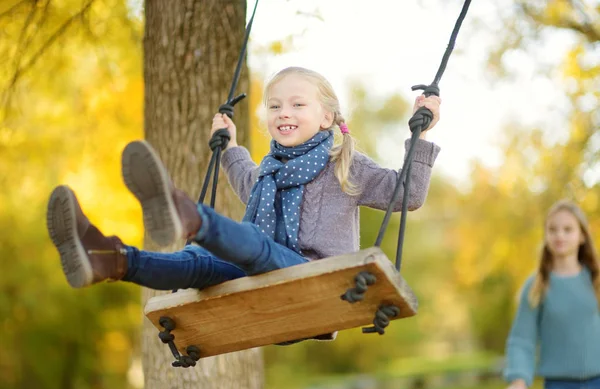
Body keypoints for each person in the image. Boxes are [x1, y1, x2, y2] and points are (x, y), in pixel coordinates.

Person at [47, 66, 442, 294]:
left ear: (327, 117)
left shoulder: (345, 163)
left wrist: (420, 134)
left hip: (318, 280)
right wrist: (232, 146)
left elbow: (407, 195)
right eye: (274, 106)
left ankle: (185, 214)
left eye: (297, 104)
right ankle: (108, 260)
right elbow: (244, 179)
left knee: (253, 241)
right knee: (197, 262)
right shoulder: (268, 171)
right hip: (261, 273)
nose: (282, 112)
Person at [499, 200, 600, 389]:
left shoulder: (596, 280)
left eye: (568, 229)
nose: (559, 235)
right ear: (546, 235)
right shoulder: (537, 286)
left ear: (582, 236)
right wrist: (519, 380)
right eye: (552, 230)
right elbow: (522, 340)